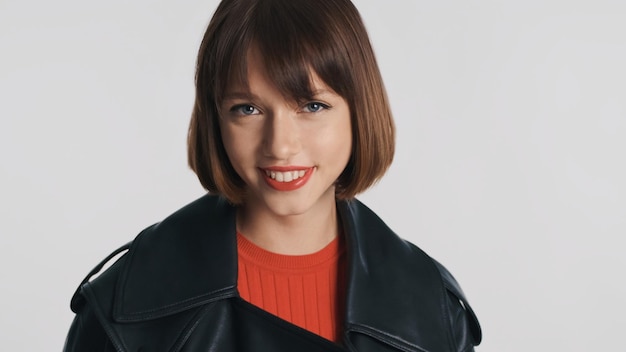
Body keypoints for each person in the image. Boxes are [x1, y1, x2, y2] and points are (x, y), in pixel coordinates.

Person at [64, 0, 482, 351]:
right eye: (247, 109)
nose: (280, 146)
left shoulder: (432, 310)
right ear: (216, 120)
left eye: (312, 106)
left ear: (359, 110)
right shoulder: (126, 307)